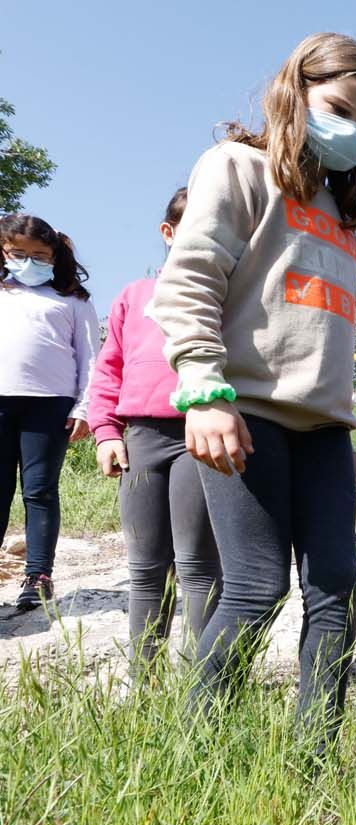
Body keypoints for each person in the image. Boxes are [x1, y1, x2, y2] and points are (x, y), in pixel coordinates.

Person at [149, 33, 356, 741]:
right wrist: (204, 388)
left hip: (322, 434)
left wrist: (340, 422)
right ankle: (197, 756)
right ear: (296, 91)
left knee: (336, 595)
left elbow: (322, 333)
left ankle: (314, 760)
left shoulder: (346, 222)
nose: (355, 131)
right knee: (256, 588)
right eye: (340, 109)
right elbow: (190, 282)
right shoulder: (236, 168)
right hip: (243, 414)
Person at [85, 188, 223, 670]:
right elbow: (109, 369)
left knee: (198, 565)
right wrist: (105, 432)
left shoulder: (228, 293)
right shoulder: (134, 296)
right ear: (168, 234)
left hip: (201, 437)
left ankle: (199, 684)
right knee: (146, 567)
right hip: (141, 439)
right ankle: (145, 681)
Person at [0, 213, 98, 609]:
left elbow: (91, 358)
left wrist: (86, 406)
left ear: (55, 255)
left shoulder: (72, 300)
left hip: (50, 406)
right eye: (18, 254)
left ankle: (38, 575)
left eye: (39, 256)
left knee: (40, 491)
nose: (29, 262)